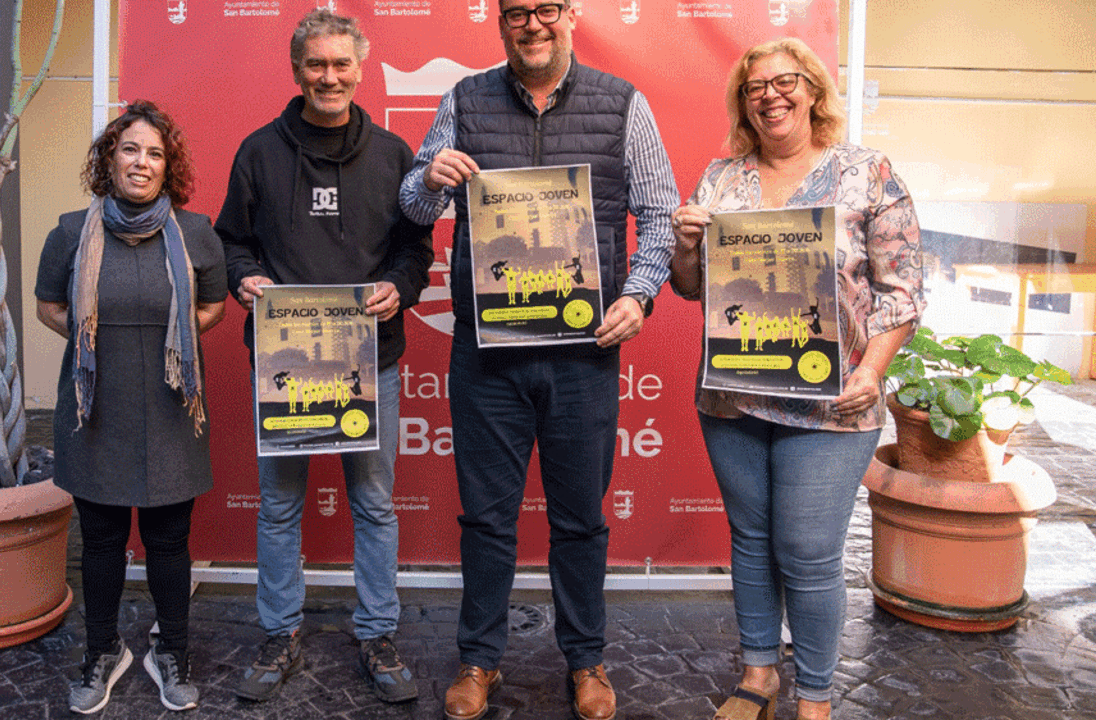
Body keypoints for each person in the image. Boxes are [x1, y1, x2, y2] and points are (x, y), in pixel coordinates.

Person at [398, 3, 679, 719]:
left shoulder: (624, 105)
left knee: (581, 517)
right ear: (501, 21)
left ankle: (586, 660)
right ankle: (478, 660)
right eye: (517, 11)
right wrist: (430, 178)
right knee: (487, 519)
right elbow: (411, 206)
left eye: (545, 9)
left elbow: (660, 211)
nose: (532, 24)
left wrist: (640, 296)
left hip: (583, 355)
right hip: (487, 356)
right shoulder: (464, 99)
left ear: (570, 16)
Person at [669, 38, 925, 720]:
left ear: (813, 91)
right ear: (743, 103)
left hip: (833, 400)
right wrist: (688, 246)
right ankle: (759, 675)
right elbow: (690, 289)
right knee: (750, 539)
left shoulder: (866, 173)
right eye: (755, 87)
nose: (770, 95)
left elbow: (901, 290)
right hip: (734, 394)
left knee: (809, 551)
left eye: (785, 82)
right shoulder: (722, 180)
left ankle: (815, 696)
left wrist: (873, 369)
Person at [214, 8, 434, 705]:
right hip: (286, 363)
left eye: (341, 64)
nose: (329, 76)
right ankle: (279, 632)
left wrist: (400, 288)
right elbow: (231, 241)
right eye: (317, 64)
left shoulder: (397, 156)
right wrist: (241, 276)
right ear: (297, 70)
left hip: (372, 362)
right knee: (279, 507)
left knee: (374, 503)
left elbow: (415, 249)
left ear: (360, 70)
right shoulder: (257, 152)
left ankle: (377, 631)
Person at [35, 100, 227, 714]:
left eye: (154, 153)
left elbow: (214, 305)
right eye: (129, 149)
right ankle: (102, 652)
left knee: (170, 541)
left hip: (172, 406)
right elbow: (49, 306)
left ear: (167, 166)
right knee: (101, 539)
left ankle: (172, 652)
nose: (141, 163)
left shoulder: (196, 234)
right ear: (108, 159)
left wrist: (169, 344)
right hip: (97, 408)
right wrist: (100, 342)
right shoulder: (70, 232)